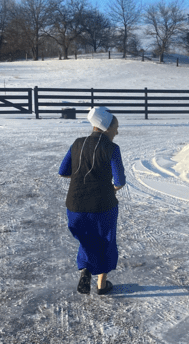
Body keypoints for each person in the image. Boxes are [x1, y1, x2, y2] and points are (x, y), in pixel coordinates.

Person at [59, 106, 125, 295]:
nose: (117, 132)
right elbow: (120, 181)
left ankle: (86, 270)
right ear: (106, 128)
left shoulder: (77, 143)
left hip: (74, 205)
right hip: (102, 205)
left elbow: (63, 171)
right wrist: (110, 188)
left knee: (87, 239)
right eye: (116, 128)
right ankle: (101, 285)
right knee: (105, 241)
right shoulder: (112, 148)